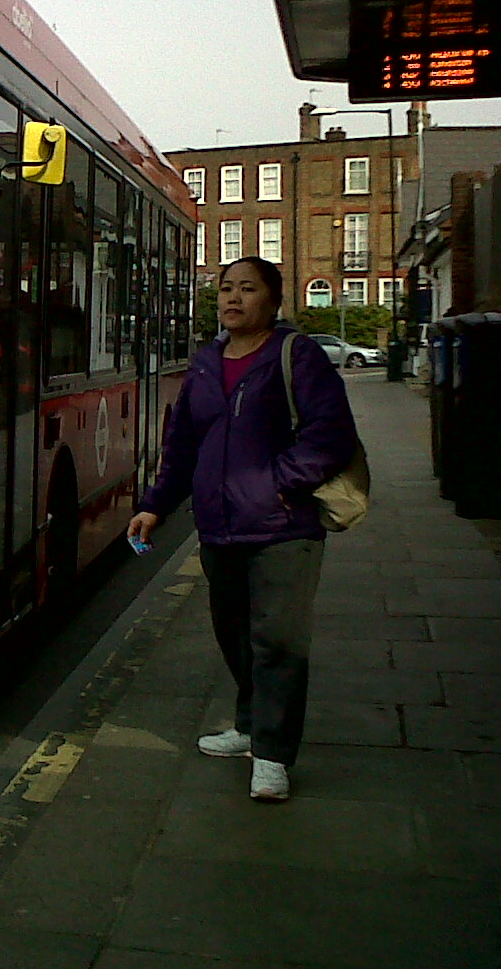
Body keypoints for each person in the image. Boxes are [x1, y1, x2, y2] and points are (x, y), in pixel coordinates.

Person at [127, 256, 357, 803]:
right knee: (235, 636)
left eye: (247, 289)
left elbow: (330, 434)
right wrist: (155, 505)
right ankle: (251, 726)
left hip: (283, 528)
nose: (232, 298)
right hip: (218, 528)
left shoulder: (296, 355)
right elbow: (182, 444)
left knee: (278, 641)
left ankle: (272, 756)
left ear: (273, 300)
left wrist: (279, 483)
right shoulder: (206, 363)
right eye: (226, 288)